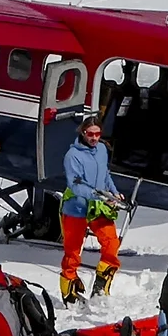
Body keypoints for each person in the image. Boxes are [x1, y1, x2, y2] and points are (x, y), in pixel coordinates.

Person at [59, 114, 124, 304]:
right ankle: (69, 291)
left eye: (97, 134)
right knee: (72, 251)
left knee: (111, 242)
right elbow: (75, 185)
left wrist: (114, 192)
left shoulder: (102, 149)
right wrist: (100, 196)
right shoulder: (72, 156)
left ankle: (101, 284)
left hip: (98, 206)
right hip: (76, 207)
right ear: (83, 132)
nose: (94, 138)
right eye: (90, 134)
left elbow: (105, 174)